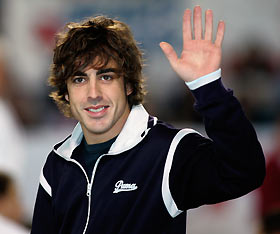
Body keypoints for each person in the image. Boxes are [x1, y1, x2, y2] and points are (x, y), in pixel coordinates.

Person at [31, 6, 265, 234]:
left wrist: (208, 87)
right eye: (79, 79)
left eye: (106, 76)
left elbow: (245, 171)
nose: (93, 93)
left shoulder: (169, 151)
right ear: (66, 92)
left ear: (129, 85)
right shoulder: (58, 162)